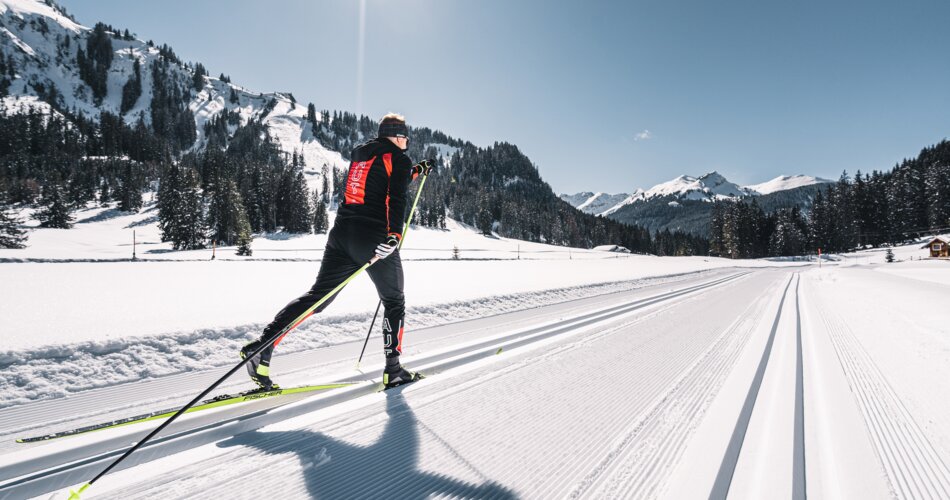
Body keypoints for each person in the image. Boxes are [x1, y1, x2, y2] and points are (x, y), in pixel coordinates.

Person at [241, 113, 434, 390]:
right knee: (394, 301)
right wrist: (394, 235)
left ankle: (263, 347)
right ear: (395, 136)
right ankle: (394, 371)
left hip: (341, 235)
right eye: (404, 137)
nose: (407, 142)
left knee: (318, 297)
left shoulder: (363, 155)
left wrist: (416, 170)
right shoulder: (398, 159)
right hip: (374, 239)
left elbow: (384, 180)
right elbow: (396, 196)